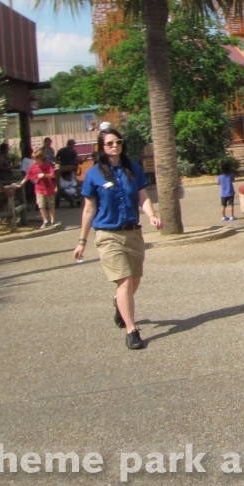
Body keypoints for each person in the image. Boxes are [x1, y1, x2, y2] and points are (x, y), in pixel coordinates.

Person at [73, 129, 162, 350]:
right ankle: (131, 330)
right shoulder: (93, 174)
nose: (115, 146)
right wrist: (82, 241)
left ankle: (118, 304)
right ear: (102, 147)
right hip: (107, 234)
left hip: (132, 232)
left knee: (135, 279)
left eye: (118, 142)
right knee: (123, 280)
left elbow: (143, 196)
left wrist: (151, 215)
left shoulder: (132, 168)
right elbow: (88, 209)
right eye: (110, 143)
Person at [14, 148, 58, 229]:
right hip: (39, 188)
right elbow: (27, 176)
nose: (34, 161)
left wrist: (44, 175)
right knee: (40, 204)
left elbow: (53, 175)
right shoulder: (33, 167)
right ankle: (45, 221)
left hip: (48, 187)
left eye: (36, 159)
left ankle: (53, 221)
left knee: (51, 205)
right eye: (33, 159)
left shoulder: (47, 165)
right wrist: (20, 184)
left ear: (40, 158)